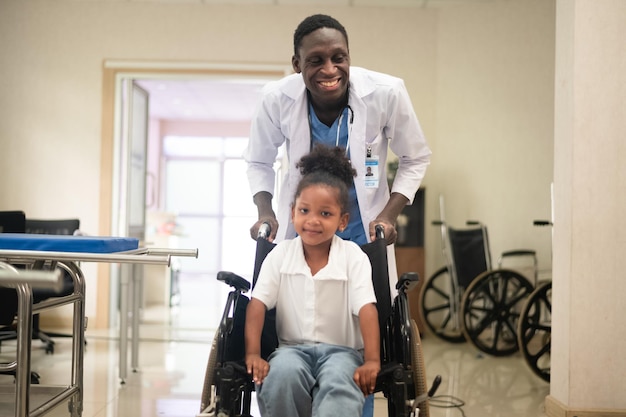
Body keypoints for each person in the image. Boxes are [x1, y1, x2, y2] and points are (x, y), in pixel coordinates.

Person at [244, 13, 431, 416]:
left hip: (365, 234)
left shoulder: (386, 93)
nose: (329, 69)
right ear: (297, 65)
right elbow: (258, 161)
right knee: (293, 330)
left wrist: (389, 213)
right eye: (315, 60)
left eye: (338, 57)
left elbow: (416, 157)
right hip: (303, 230)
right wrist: (266, 213)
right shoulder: (277, 98)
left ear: (349, 57)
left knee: (357, 339)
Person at [245, 145, 380, 417]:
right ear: (293, 212)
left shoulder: (352, 256)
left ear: (343, 221)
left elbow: (367, 309)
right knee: (281, 376)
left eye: (325, 214)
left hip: (343, 352)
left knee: (340, 384)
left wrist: (373, 361)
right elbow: (257, 305)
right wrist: (253, 354)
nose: (313, 221)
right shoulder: (281, 254)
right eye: (305, 211)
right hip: (290, 350)